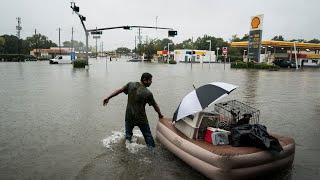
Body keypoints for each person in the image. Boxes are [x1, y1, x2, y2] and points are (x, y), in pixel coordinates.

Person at [103, 72, 163, 148]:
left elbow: (119, 90)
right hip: (141, 118)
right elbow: (155, 106)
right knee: (148, 136)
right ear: (144, 80)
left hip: (129, 116)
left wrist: (108, 97)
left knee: (128, 136)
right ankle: (152, 153)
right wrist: (160, 114)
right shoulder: (148, 93)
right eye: (150, 80)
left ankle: (127, 150)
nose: (151, 82)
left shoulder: (131, 84)